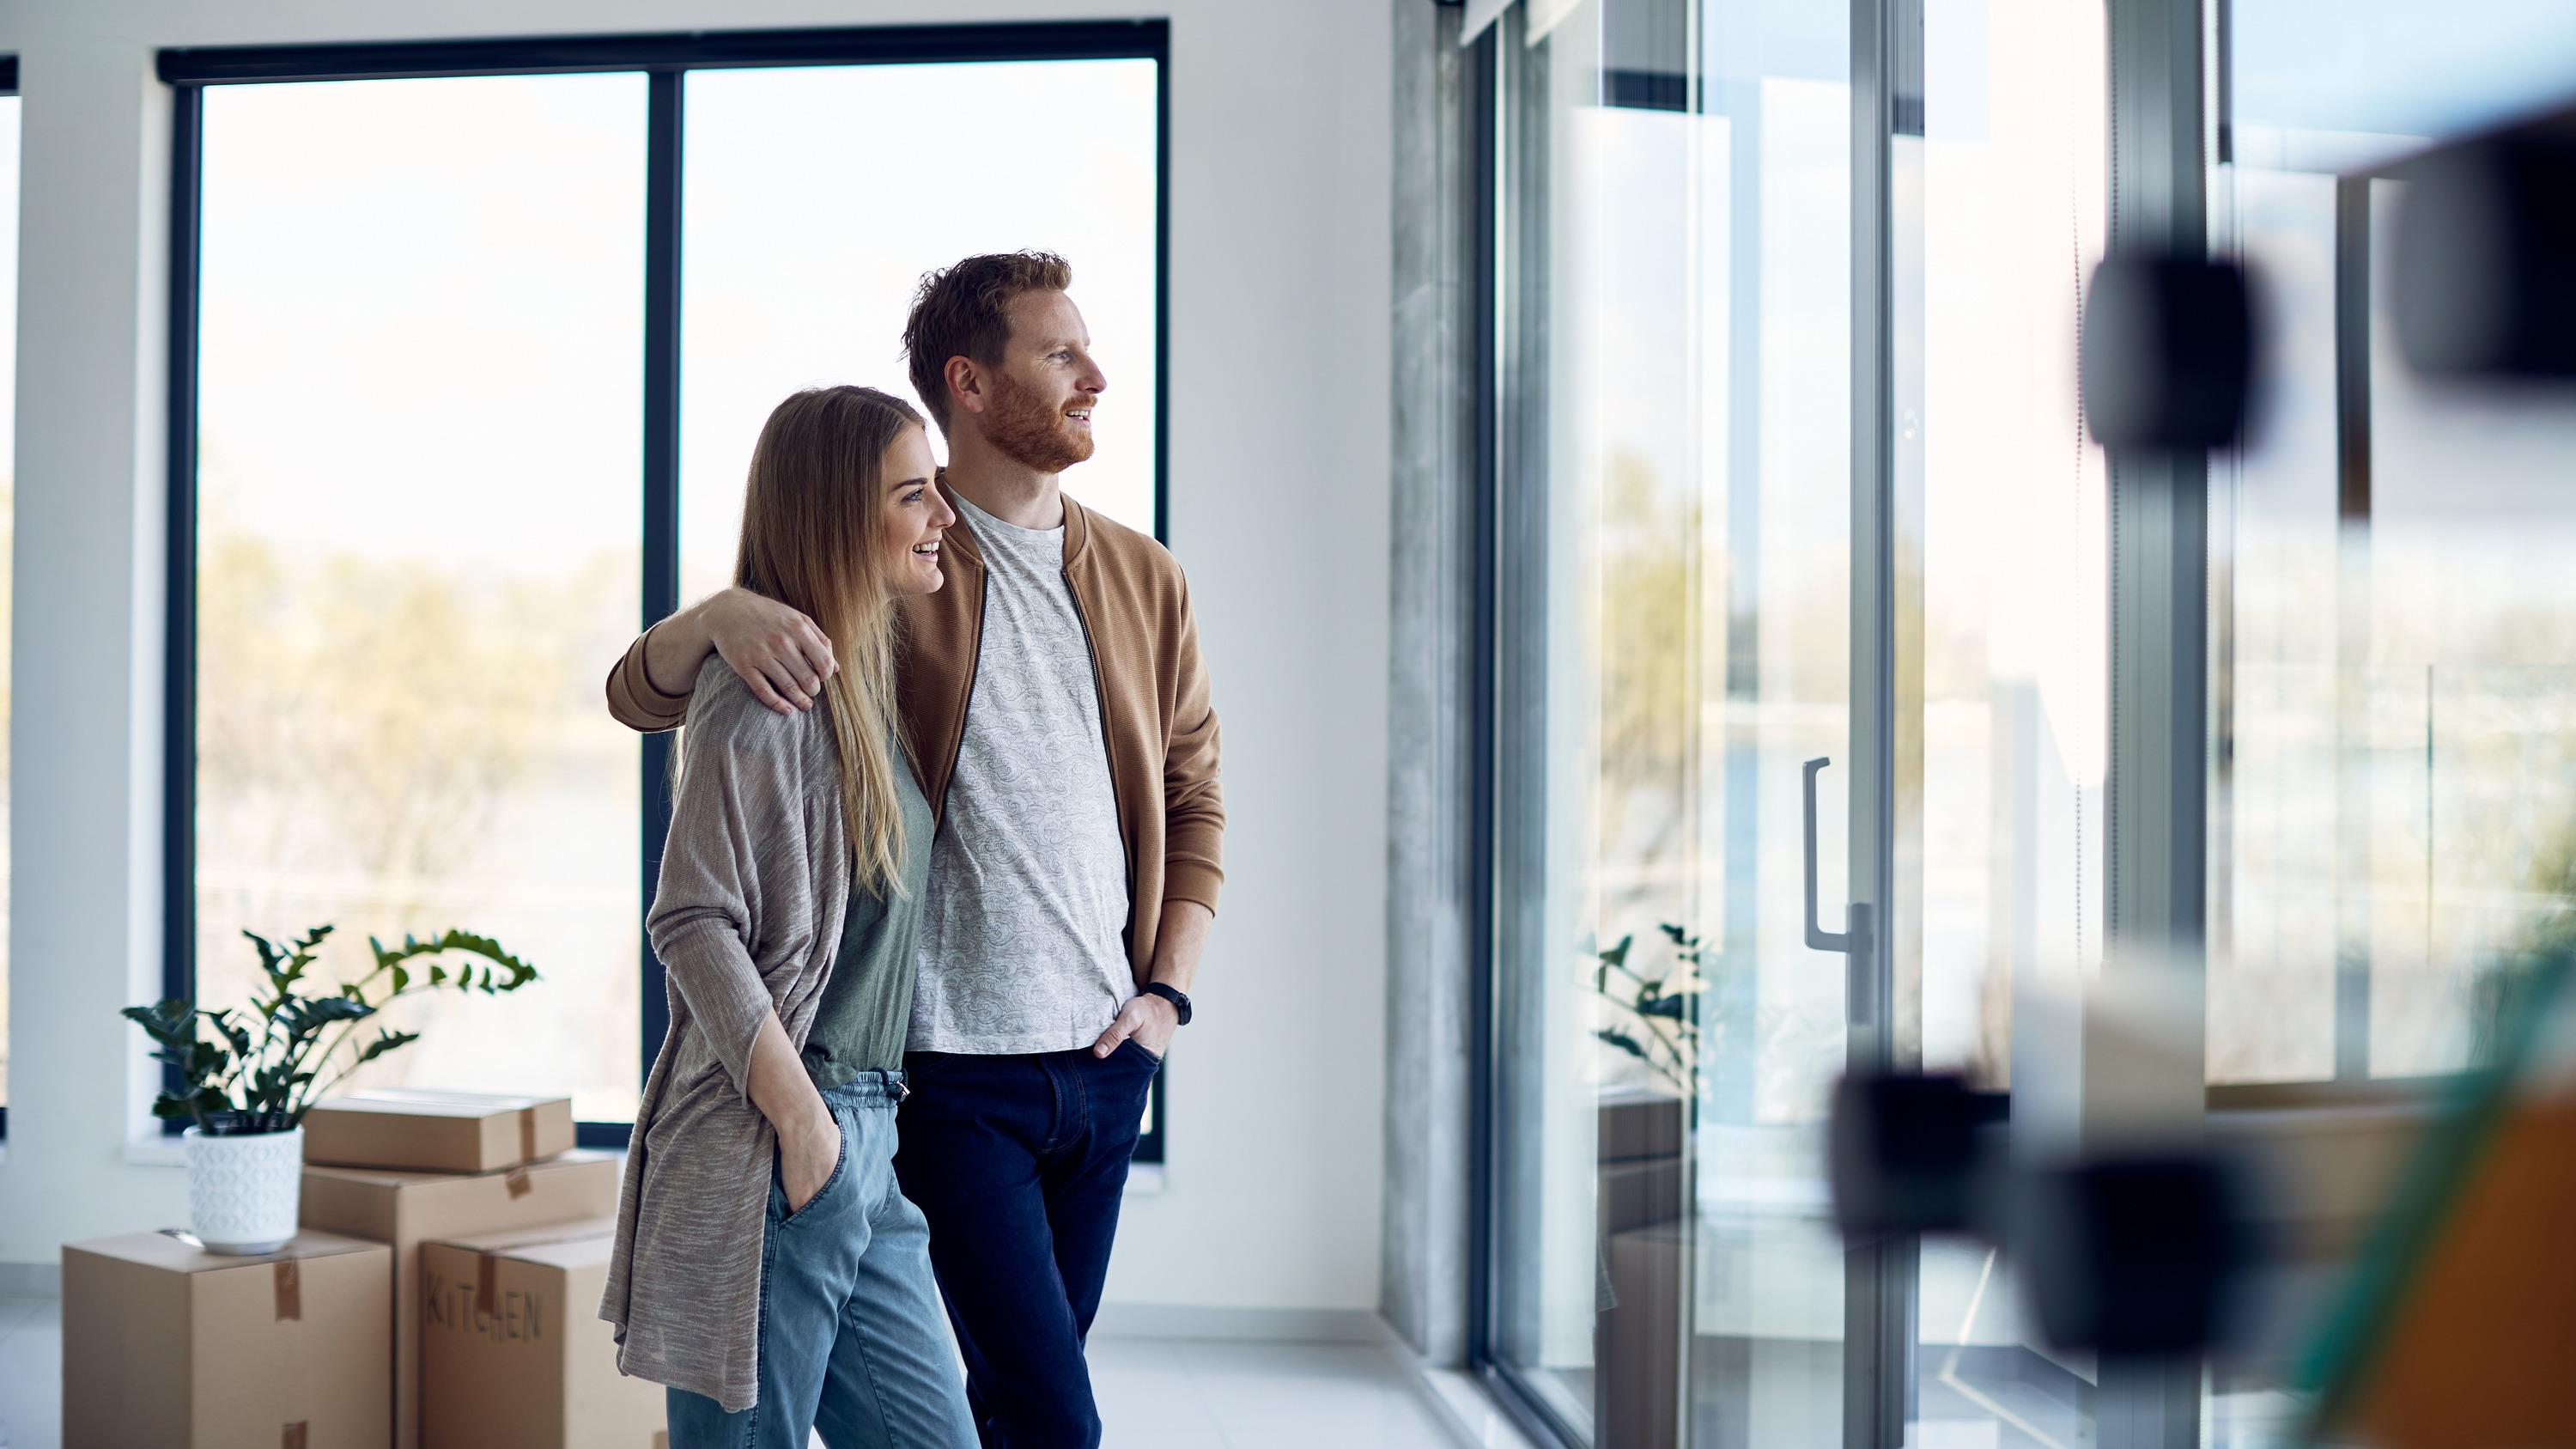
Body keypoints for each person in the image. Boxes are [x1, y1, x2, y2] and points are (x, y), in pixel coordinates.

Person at [602, 252, 1224, 1448]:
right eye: (1061, 352)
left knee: (1010, 1398)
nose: (1097, 374)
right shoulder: (901, 570)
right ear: (971, 383)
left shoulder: (1145, 578)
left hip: (1101, 1060)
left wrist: (1165, 995)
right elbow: (654, 703)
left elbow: (1198, 792)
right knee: (1045, 1413)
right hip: (936, 1070)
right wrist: (716, 615)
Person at [598, 385, 977, 1449]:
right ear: (840, 519)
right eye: (914, 495)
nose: (941, 514)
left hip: (868, 1136)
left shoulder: (863, 676)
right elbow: (690, 919)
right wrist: (803, 1123)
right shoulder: (761, 690)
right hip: (781, 1134)